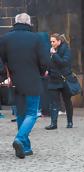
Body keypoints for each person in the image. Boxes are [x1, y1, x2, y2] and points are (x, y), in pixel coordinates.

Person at [0, 13, 49, 158]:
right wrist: (41, 72)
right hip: (32, 79)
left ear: (15, 22)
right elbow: (45, 60)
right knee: (32, 113)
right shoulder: (36, 38)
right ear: (29, 23)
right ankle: (20, 139)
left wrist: (3, 75)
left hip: (15, 81)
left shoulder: (5, 38)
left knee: (21, 113)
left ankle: (25, 148)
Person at [45, 33, 74, 130]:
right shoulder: (51, 50)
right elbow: (49, 63)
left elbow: (64, 63)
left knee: (67, 101)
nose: (51, 43)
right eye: (51, 41)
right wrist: (47, 70)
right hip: (53, 79)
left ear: (59, 41)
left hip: (64, 79)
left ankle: (70, 122)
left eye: (53, 41)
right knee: (54, 102)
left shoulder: (66, 50)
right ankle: (53, 123)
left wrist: (54, 54)